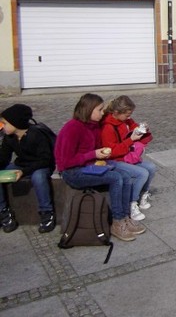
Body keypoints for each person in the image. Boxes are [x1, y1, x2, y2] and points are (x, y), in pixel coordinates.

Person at [54, 93, 144, 241]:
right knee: (115, 178)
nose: (103, 113)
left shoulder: (94, 126)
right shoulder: (72, 128)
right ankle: (117, 222)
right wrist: (93, 154)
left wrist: (99, 155)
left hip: (92, 165)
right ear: (88, 110)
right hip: (72, 172)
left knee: (126, 176)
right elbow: (65, 162)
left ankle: (125, 217)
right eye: (100, 110)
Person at [0, 104, 56, 233]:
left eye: (4, 123)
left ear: (16, 123)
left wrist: (24, 172)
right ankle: (4, 212)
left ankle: (47, 212)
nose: (2, 127)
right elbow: (4, 158)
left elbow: (45, 159)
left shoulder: (36, 134)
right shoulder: (9, 138)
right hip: (22, 164)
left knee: (39, 177)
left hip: (40, 165)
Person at [101, 96, 156, 221]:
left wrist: (143, 129)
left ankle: (142, 194)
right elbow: (111, 152)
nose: (129, 117)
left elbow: (136, 129)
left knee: (151, 167)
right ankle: (131, 203)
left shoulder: (126, 121)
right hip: (115, 160)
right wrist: (130, 140)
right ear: (116, 113)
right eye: (127, 115)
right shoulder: (108, 127)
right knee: (142, 173)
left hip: (126, 157)